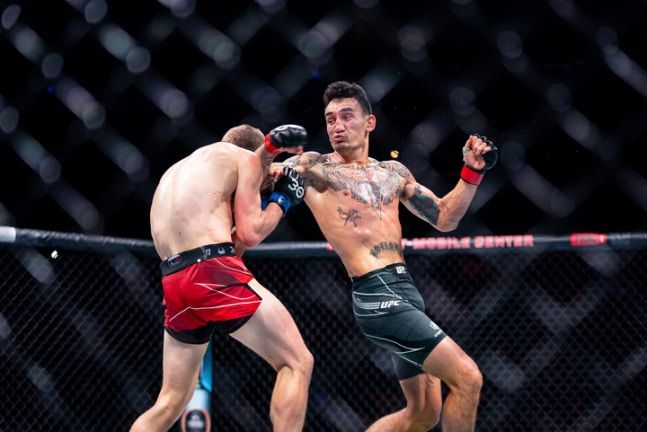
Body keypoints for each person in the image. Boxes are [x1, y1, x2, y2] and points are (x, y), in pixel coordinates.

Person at [282, 81, 497, 431]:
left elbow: (445, 218)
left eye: (346, 116)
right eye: (330, 119)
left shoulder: (393, 173)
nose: (337, 126)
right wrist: (261, 155)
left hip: (407, 292)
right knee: (467, 377)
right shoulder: (316, 168)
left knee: (423, 413)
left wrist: (471, 173)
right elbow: (276, 171)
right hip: (376, 296)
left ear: (369, 122)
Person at [131, 124, 314, 432]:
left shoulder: (181, 170)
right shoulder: (248, 159)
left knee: (170, 401)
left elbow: (231, 244)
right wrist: (282, 200)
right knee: (297, 362)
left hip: (174, 281)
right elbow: (251, 233)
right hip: (210, 269)